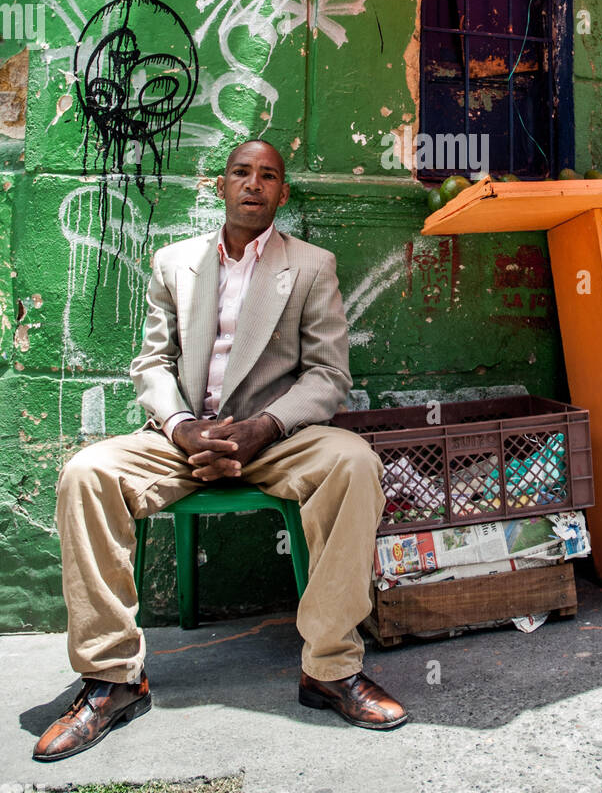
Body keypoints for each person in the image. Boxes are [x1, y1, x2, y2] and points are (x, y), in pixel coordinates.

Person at [33, 139, 408, 760]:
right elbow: (153, 363)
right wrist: (181, 426)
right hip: (184, 436)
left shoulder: (312, 265)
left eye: (268, 176)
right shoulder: (174, 262)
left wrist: (263, 427)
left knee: (354, 463)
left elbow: (327, 376)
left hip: (273, 438)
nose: (254, 184)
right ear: (221, 186)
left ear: (282, 193)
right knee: (85, 473)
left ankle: (330, 668)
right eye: (242, 173)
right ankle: (111, 680)